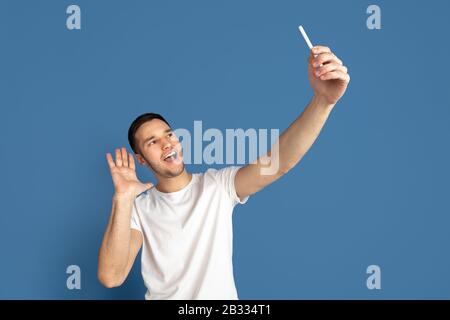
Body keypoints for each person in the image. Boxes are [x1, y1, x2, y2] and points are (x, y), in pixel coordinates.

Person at [98, 45, 350, 299]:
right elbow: (111, 276)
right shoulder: (137, 209)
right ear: (140, 160)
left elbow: (280, 161)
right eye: (152, 142)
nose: (166, 144)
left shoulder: (216, 186)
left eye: (169, 135)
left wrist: (323, 102)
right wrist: (123, 197)